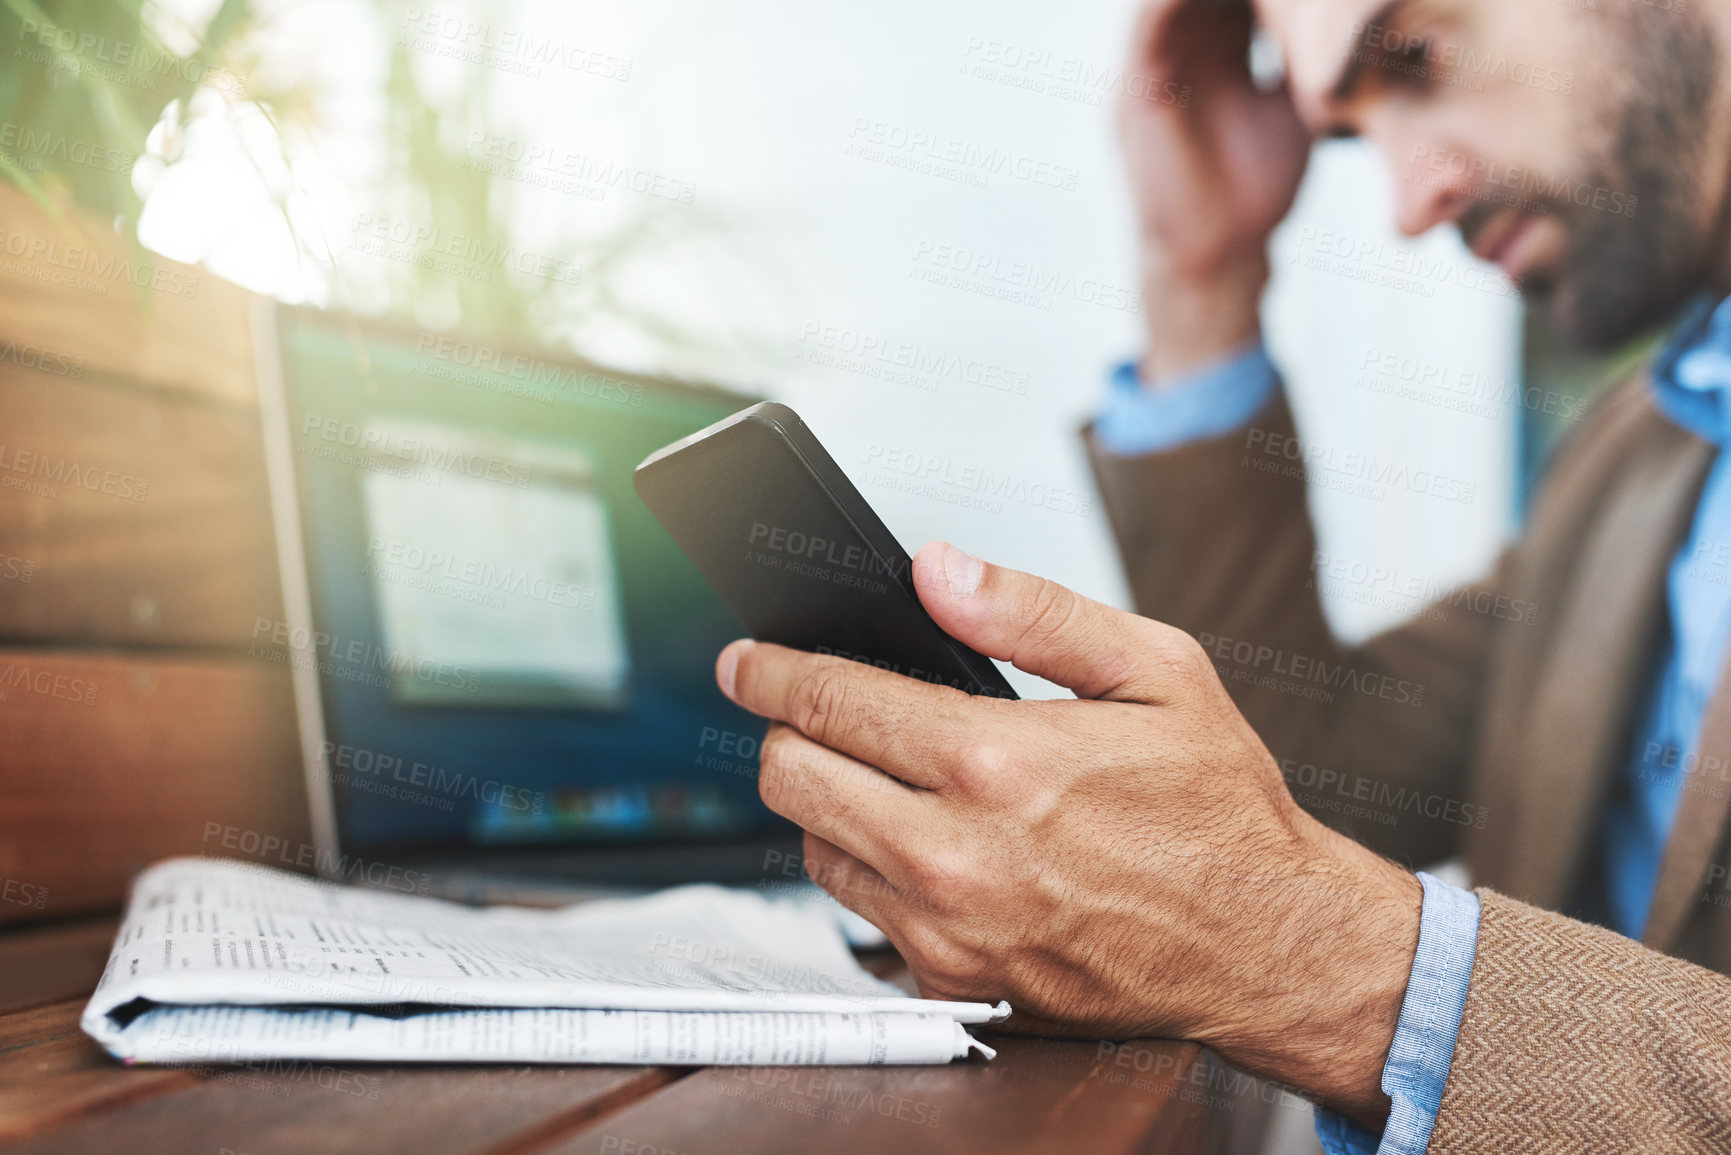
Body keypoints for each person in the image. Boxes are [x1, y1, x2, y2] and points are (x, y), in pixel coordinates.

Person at [717, 0, 1731, 1151]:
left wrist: (1329, 965)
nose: (1409, 205)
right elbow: (1306, 783)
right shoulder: (1635, 458)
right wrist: (1200, 277)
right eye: (1349, 137)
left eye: (1415, 54)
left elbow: (1267, 902)